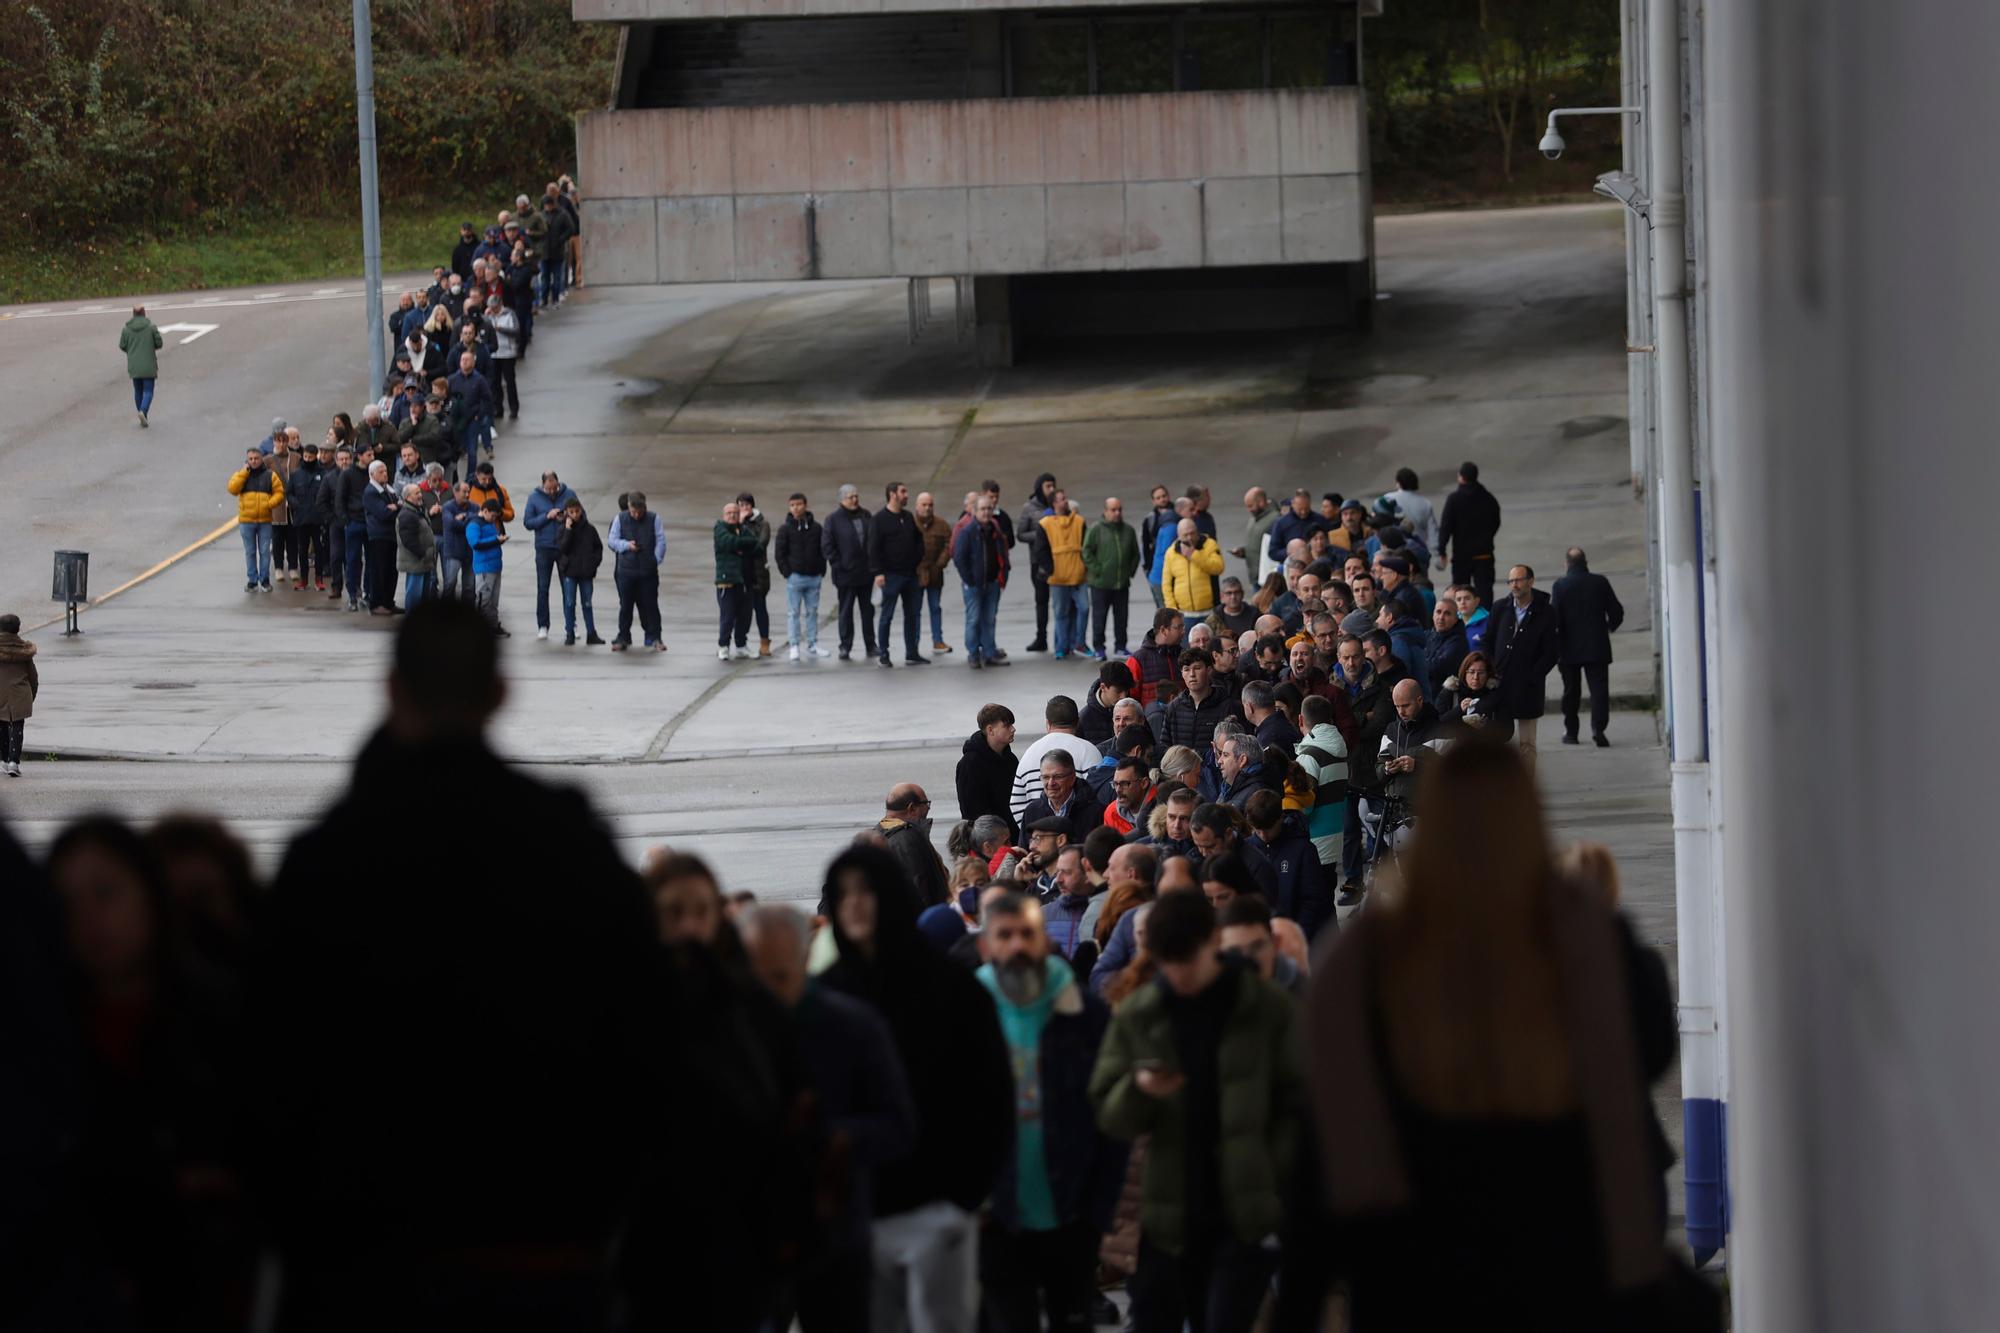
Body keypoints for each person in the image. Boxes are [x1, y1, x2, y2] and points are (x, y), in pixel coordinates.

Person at [250, 600, 664, 1330]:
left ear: (391, 689)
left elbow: (272, 1074)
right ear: (501, 694)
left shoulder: (326, 859)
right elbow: (648, 1047)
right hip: (544, 1251)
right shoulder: (570, 847)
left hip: (364, 1269)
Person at [1301, 740, 1681, 1331]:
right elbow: (1649, 1050)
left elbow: (1324, 1135)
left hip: (1413, 1261)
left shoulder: (1365, 955)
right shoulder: (1587, 935)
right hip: (1563, 1248)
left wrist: (1309, 1288)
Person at [1089, 888, 1305, 1333]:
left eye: (1188, 961)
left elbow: (1298, 1104)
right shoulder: (1141, 1013)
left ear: (1213, 943)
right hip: (1164, 1217)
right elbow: (1107, 1114)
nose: (1180, 975)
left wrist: (1274, 1177)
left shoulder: (1265, 1008)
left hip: (1242, 1214)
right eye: (1169, 963)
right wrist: (1140, 1089)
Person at [818, 846, 1014, 1333]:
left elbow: (990, 1095)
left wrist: (964, 1197)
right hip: (853, 1215)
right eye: (842, 895)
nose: (855, 905)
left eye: (866, 892)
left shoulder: (951, 989)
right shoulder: (825, 997)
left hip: (935, 1208)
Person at [740, 906, 918, 1333]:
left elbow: (898, 1126)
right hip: (751, 1237)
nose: (767, 994)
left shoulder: (852, 1026)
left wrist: (831, 1137)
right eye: (755, 978)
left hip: (834, 1235)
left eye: (779, 978)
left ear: (805, 960)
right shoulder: (728, 1028)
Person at [975, 892, 1127, 1333]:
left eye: (1028, 934)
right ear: (986, 946)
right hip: (996, 1217)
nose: (1018, 946)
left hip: (1072, 1213)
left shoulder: (1083, 1013)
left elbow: (1110, 1116)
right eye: (1006, 936)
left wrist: (1100, 1208)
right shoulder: (968, 1012)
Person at [1336, 635, 1396, 905]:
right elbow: (1333, 724)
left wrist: (1350, 721)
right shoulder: (1331, 687)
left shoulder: (1381, 687)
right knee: (1349, 830)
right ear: (1339, 658)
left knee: (1377, 827)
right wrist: (1361, 717)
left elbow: (1380, 724)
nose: (1351, 662)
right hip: (1345, 769)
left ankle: (1379, 879)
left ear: (1364, 656)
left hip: (1372, 767)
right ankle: (1352, 881)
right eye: (1346, 657)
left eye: (1356, 656)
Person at [1488, 564, 1561, 774]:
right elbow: (1489, 640)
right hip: (1499, 684)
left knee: (1527, 743)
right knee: (1499, 739)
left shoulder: (1545, 611)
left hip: (1528, 686)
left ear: (1531, 581)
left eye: (1518, 580)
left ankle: (1526, 787)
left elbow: (1551, 651)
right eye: (1511, 581)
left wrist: (1533, 675)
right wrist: (1491, 669)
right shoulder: (1500, 607)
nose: (1514, 585)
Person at [1551, 546, 1626, 746]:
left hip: (1568, 649)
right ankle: (1599, 728)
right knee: (1599, 690)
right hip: (1597, 646)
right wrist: (1608, 628)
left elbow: (1554, 619)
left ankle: (1571, 733)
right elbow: (1616, 611)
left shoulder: (1560, 586)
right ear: (1586, 562)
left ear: (1566, 564)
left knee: (1571, 692)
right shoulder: (1600, 582)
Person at [1010, 696, 1105, 824]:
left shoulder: (1029, 753)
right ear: (1077, 722)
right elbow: (1099, 797)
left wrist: (1034, 832)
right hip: (1079, 836)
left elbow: (1016, 803)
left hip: (1037, 837)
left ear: (1048, 723)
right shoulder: (1089, 751)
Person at [1075, 495, 1141, 660]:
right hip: (1100, 584)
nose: (1117, 513)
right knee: (1099, 617)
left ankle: (1120, 646)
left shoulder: (1128, 530)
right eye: (1113, 510)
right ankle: (1099, 648)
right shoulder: (1096, 529)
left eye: (1119, 509)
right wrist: (1098, 570)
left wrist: (1129, 572)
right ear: (1105, 511)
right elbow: (1086, 551)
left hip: (1121, 583)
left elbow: (1135, 553)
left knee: (1121, 617)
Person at [871, 481, 927, 668]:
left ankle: (912, 652)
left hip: (910, 575)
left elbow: (918, 540)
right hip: (890, 575)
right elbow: (873, 548)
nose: (906, 495)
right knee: (886, 616)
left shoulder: (908, 516)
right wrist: (878, 572)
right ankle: (884, 654)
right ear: (892, 494)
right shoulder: (879, 519)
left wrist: (916, 560)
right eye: (903, 492)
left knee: (912, 614)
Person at [953, 492, 1011, 670]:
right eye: (982, 509)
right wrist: (969, 579)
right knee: (973, 619)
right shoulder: (967, 532)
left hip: (992, 582)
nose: (986, 512)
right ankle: (973, 654)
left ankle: (989, 652)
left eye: (989, 509)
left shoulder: (995, 530)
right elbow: (959, 557)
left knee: (989, 619)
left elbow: (1002, 553)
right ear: (974, 511)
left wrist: (1003, 574)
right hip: (974, 585)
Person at [1436, 460, 1503, 609]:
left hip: (1461, 556)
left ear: (1461, 477)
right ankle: (1486, 624)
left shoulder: (1454, 499)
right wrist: (1487, 537)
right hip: (1484, 554)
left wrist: (1442, 550)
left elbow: (1446, 526)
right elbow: (1496, 521)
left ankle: (1462, 623)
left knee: (1460, 594)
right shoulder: (1488, 498)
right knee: (1484, 592)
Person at [775, 491, 832, 661]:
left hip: (814, 577)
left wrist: (821, 569)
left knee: (812, 611)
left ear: (805, 505)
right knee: (793, 612)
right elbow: (780, 553)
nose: (795, 508)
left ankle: (812, 644)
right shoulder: (785, 529)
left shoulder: (816, 528)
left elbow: (823, 550)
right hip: (795, 577)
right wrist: (787, 573)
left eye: (798, 504)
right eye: (792, 505)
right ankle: (794, 645)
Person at [823, 483, 878, 661]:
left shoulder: (865, 515)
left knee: (867, 610)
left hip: (865, 573)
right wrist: (838, 564)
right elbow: (827, 546)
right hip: (846, 574)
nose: (854, 500)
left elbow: (873, 540)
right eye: (850, 497)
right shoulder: (833, 519)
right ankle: (845, 646)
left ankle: (871, 644)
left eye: (856, 496)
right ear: (842, 500)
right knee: (846, 611)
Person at [522, 471, 578, 642]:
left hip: (565, 547)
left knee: (567, 588)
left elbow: (580, 515)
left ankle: (571, 624)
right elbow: (528, 523)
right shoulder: (534, 498)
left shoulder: (569, 494)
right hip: (544, 547)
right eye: (548, 489)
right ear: (543, 485)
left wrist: (566, 518)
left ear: (557, 483)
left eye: (554, 488)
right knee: (543, 588)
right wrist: (547, 516)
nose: (552, 492)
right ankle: (543, 625)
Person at [609, 491, 667, 652]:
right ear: (628, 508)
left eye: (639, 512)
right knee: (625, 605)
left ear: (644, 508)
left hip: (648, 571)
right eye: (633, 512)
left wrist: (656, 559)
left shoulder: (654, 519)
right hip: (626, 571)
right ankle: (623, 637)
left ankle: (655, 637)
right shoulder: (620, 519)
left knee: (651, 605)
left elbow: (661, 540)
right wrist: (627, 545)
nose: (636, 515)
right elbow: (612, 541)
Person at [1034, 490, 1088, 661]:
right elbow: (1040, 550)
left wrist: (1084, 566)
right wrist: (1051, 569)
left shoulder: (1079, 521)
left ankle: (1079, 642)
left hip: (1078, 574)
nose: (1066, 501)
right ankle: (1061, 647)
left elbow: (1086, 546)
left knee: (1084, 608)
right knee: (1061, 613)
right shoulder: (1045, 524)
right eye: (1062, 499)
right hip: (1058, 577)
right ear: (1054, 504)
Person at [877, 783, 949, 908]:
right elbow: (920, 889)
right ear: (912, 808)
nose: (928, 808)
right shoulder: (907, 841)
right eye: (925, 803)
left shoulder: (877, 835)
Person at [1217, 894, 1304, 997]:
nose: (1248, 959)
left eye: (1256, 947)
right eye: (1235, 951)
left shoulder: (1309, 995)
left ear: (1276, 943)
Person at [957, 703, 1020, 842]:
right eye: (1007, 726)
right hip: (987, 843)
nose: (1013, 729)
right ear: (990, 730)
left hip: (1012, 837)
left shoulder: (1010, 759)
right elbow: (971, 811)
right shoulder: (970, 763)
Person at [227, 447, 283, 593]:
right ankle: (252, 580)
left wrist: (269, 504)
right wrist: (244, 473)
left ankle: (264, 580)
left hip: (264, 520)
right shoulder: (241, 475)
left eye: (256, 458)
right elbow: (232, 489)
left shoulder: (270, 475)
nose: (253, 461)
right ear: (247, 460)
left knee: (264, 551)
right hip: (247, 520)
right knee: (250, 551)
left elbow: (279, 492)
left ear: (261, 459)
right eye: (250, 459)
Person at [713, 500, 763, 660]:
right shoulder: (720, 528)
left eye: (735, 512)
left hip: (745, 581)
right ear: (724, 515)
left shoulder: (743, 529)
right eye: (729, 513)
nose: (733, 515)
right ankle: (723, 646)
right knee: (727, 616)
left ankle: (741, 645)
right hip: (727, 580)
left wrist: (742, 548)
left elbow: (758, 547)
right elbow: (728, 543)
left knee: (745, 615)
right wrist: (743, 546)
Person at [1159, 647, 1232, 752]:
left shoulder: (1226, 705)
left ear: (1209, 670)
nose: (1192, 674)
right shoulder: (1174, 707)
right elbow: (1165, 746)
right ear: (1182, 673)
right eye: (1186, 669)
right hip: (1181, 767)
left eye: (1197, 668)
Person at [1017, 472, 1059, 651]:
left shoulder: (1058, 504)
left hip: (1059, 560)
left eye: (1053, 486)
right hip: (1039, 561)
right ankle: (1041, 637)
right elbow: (1020, 534)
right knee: (1041, 600)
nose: (1051, 489)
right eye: (1047, 486)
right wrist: (1042, 534)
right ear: (1039, 488)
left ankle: (1062, 639)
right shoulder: (1029, 508)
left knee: (1061, 602)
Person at [555, 498, 606, 646]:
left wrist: (594, 564)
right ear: (566, 513)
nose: (575, 514)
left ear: (581, 510)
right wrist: (568, 530)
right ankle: (569, 633)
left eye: (577, 511)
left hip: (586, 573)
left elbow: (598, 548)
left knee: (587, 603)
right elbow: (563, 548)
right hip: (570, 572)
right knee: (570, 603)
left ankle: (591, 633)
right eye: (571, 512)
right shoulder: (562, 530)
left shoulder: (590, 529)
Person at [731, 492, 775, 658]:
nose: (744, 508)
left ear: (752, 506)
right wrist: (740, 524)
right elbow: (730, 544)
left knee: (760, 608)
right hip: (739, 575)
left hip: (757, 575)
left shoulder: (763, 524)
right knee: (740, 612)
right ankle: (740, 643)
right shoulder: (732, 523)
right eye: (741, 505)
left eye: (747, 505)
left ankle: (765, 642)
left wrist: (742, 539)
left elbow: (759, 545)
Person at [912, 491, 956, 657]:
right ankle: (913, 642)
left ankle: (938, 640)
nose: (927, 508)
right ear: (917, 506)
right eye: (924, 505)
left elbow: (949, 543)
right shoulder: (910, 523)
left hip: (935, 573)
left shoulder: (941, 524)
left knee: (935, 607)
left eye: (930, 505)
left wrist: (940, 563)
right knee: (914, 610)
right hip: (916, 573)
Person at [1021, 750, 1105, 836]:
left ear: (1072, 778)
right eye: (1045, 777)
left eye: (1058, 777)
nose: (1051, 783)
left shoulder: (1095, 811)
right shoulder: (1032, 811)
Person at [1163, 518, 1224, 624]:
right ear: (1179, 535)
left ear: (1197, 531)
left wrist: (1194, 555)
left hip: (1209, 611)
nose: (1190, 538)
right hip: (1184, 614)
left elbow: (1218, 567)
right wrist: (1172, 609)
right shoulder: (1171, 552)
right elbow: (1166, 584)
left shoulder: (1209, 544)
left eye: (1192, 533)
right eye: (1185, 535)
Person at [117, 303, 165, 428]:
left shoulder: (126, 329)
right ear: (144, 313)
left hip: (134, 365)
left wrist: (131, 350)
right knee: (148, 390)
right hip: (148, 364)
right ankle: (143, 411)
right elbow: (159, 343)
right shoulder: (151, 327)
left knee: (138, 391)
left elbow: (122, 345)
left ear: (133, 314)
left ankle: (141, 414)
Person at [0, 614, 37, 777]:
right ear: (18, 629)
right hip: (20, 693)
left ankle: (3, 759)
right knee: (17, 726)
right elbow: (32, 676)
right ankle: (13, 761)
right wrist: (32, 694)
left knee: (1, 726)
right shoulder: (24, 651)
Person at [467, 498, 508, 633]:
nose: (494, 519)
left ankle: (492, 625)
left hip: (495, 566)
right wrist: (495, 540)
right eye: (493, 516)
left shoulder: (489, 523)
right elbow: (476, 543)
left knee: (493, 600)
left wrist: (498, 540)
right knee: (483, 599)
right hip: (484, 567)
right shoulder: (474, 524)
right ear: (485, 511)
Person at [396, 483, 439, 610]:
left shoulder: (418, 510)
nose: (420, 495)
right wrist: (423, 554)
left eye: (420, 492)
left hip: (423, 562)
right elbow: (408, 541)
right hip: (416, 562)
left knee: (424, 596)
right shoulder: (407, 515)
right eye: (416, 493)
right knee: (414, 596)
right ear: (408, 497)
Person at [1423, 597, 1469, 703]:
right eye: (1438, 612)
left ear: (1456, 618)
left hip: (1442, 700)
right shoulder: (1427, 635)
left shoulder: (1458, 642)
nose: (1441, 617)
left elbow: (1438, 667)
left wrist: (1418, 662)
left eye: (1447, 613)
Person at [486, 295, 522, 420]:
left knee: (510, 381)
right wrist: (486, 316)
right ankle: (498, 408)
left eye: (495, 308)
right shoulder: (489, 316)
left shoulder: (509, 314)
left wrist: (501, 329)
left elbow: (516, 331)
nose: (494, 310)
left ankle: (514, 408)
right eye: (492, 308)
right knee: (495, 383)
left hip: (507, 353)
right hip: (494, 354)